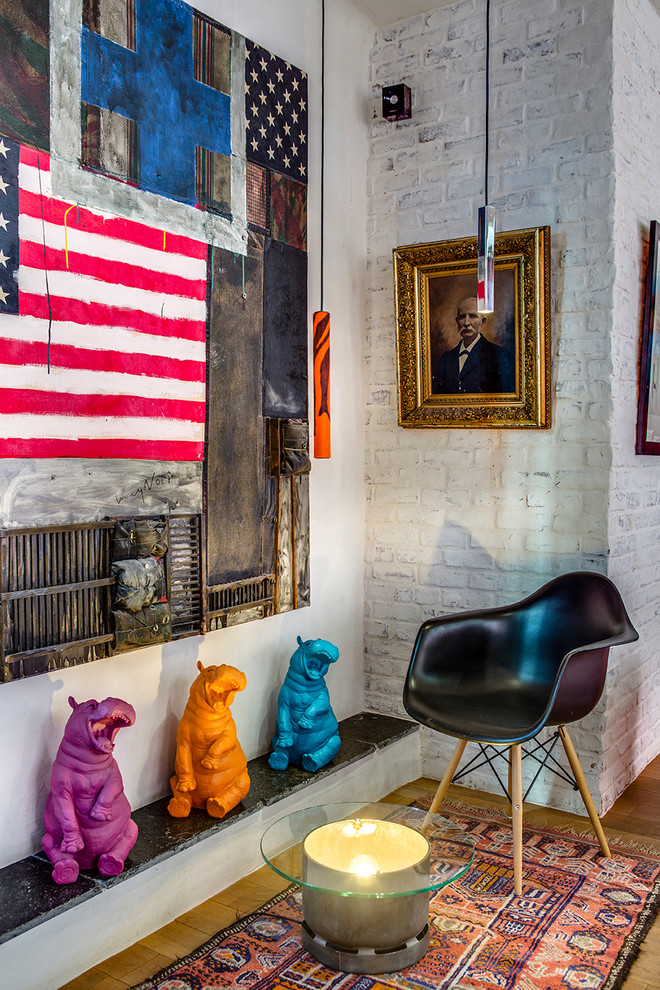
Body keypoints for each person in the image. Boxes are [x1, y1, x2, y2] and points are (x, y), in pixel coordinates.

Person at [431, 297, 515, 394]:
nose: (466, 323)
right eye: (462, 317)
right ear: (457, 321)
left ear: (482, 322)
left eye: (472, 316)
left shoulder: (499, 356)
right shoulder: (446, 359)